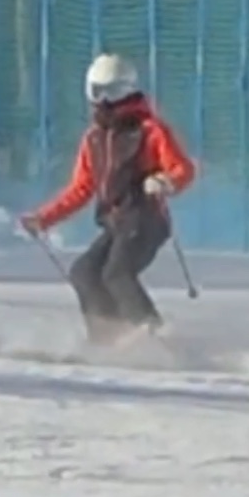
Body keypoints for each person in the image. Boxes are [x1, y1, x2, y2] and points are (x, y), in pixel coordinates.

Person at [21, 53, 198, 345]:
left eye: (109, 92)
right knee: (85, 273)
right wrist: (44, 218)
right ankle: (107, 338)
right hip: (116, 224)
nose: (100, 100)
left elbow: (183, 168)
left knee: (117, 274)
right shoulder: (94, 138)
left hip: (146, 220)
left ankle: (155, 336)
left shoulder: (149, 131)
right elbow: (81, 188)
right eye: (95, 91)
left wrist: (165, 181)